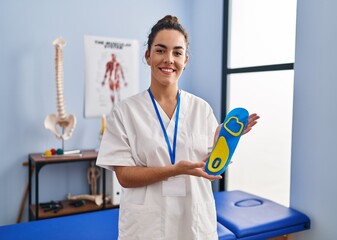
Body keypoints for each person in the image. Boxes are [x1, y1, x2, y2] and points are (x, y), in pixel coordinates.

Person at [96, 15, 259, 240]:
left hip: (193, 223)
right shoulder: (125, 112)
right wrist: (175, 169)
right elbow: (125, 177)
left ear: (186, 59)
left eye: (177, 52)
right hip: (146, 227)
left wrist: (225, 142)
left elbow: (213, 168)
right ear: (148, 55)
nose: (169, 59)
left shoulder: (202, 109)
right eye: (161, 50)